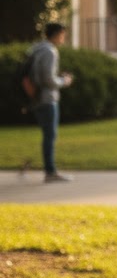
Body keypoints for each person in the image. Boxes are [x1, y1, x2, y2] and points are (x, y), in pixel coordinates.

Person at [26, 22, 74, 183]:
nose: (63, 38)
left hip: (37, 97)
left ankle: (50, 170)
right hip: (47, 99)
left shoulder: (36, 48)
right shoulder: (50, 51)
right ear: (58, 33)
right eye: (63, 34)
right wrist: (64, 81)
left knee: (48, 135)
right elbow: (48, 79)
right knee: (50, 136)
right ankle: (50, 171)